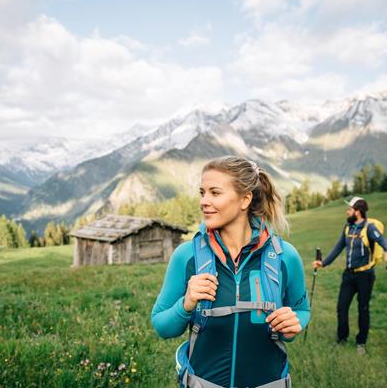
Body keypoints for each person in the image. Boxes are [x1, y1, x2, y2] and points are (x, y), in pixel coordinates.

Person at [151, 156, 310, 388]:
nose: (204, 201)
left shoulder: (285, 257)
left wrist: (292, 324)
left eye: (215, 193)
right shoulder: (187, 256)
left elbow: (302, 310)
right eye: (202, 192)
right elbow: (162, 326)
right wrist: (186, 303)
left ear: (245, 199)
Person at [312, 196, 387, 355]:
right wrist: (323, 263)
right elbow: (338, 247)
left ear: (358, 212)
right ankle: (342, 339)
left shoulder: (369, 228)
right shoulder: (348, 227)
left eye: (350, 209)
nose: (347, 211)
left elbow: (383, 242)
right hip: (348, 276)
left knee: (363, 309)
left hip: (365, 276)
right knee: (341, 307)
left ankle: (361, 343)